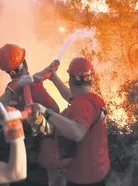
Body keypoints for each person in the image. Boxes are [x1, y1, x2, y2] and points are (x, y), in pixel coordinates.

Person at [30, 56, 110, 186]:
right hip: (99, 168)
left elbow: (78, 133)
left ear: (72, 79)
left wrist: (47, 112)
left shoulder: (83, 105)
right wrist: (54, 78)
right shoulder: (94, 99)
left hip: (84, 177)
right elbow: (70, 96)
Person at [0, 44, 60, 186]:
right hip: (33, 152)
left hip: (14, 149)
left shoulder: (11, 89)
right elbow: (55, 110)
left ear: (7, 71)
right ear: (25, 62)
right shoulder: (32, 87)